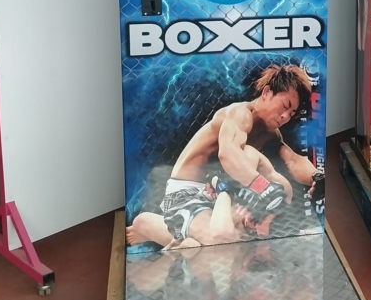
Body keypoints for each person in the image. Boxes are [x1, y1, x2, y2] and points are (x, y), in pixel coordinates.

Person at [132, 64, 319, 247]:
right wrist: (263, 188)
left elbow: (291, 159)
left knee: (280, 189)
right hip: (188, 193)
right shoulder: (239, 114)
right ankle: (150, 224)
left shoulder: (270, 134)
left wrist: (317, 177)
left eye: (291, 113)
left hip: (219, 193)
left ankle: (173, 235)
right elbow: (228, 154)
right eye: (285, 106)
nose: (285, 116)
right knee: (222, 242)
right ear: (267, 92)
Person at [127, 148, 278, 249]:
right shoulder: (241, 177)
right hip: (198, 219)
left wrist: (223, 191)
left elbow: (222, 234)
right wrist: (222, 191)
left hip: (208, 241)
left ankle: (176, 247)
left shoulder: (262, 193)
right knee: (141, 221)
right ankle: (178, 246)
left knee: (202, 244)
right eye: (256, 220)